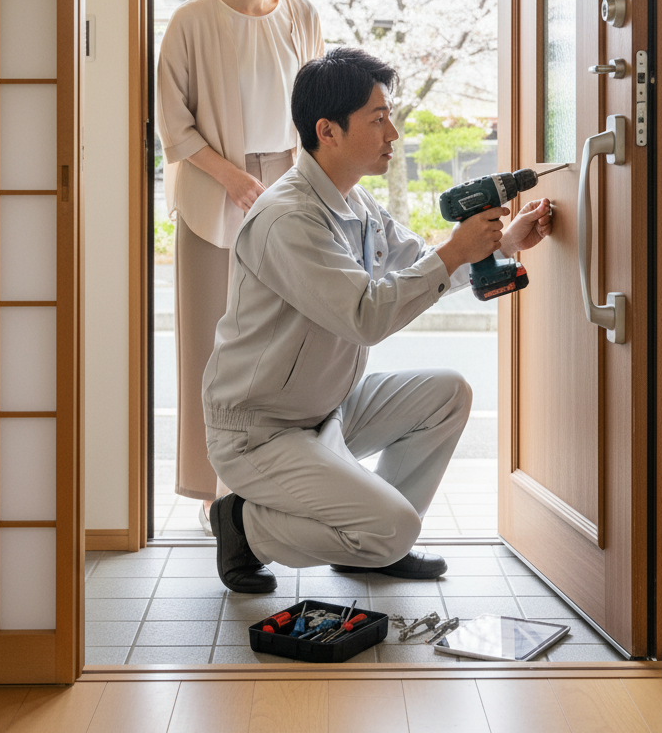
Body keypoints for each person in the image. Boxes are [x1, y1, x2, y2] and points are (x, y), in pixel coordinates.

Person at [201, 47, 553, 593]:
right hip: (261, 431)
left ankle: (374, 548)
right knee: (394, 530)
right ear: (328, 131)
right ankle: (243, 525)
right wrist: (455, 251)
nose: (393, 132)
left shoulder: (357, 204)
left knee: (448, 393)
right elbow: (365, 316)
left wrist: (502, 243)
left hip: (326, 408)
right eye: (378, 118)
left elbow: (423, 265)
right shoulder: (287, 218)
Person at [156, 0, 324, 532]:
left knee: (288, 346)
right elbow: (174, 125)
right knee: (210, 347)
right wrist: (232, 178)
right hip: (213, 192)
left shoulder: (302, 16)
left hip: (290, 185)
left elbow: (315, 116)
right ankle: (214, 493)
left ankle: (282, 487)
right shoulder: (192, 21)